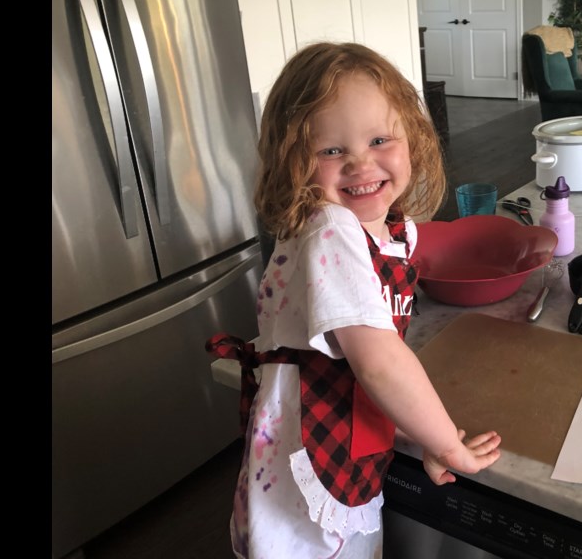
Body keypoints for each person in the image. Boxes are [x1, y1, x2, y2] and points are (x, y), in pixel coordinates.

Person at [207, 42, 502, 559]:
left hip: (342, 433)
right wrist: (445, 444)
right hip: (311, 457)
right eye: (331, 151)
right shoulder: (331, 229)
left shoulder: (381, 228)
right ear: (293, 161)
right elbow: (381, 363)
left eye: (380, 138)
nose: (361, 163)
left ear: (412, 138)